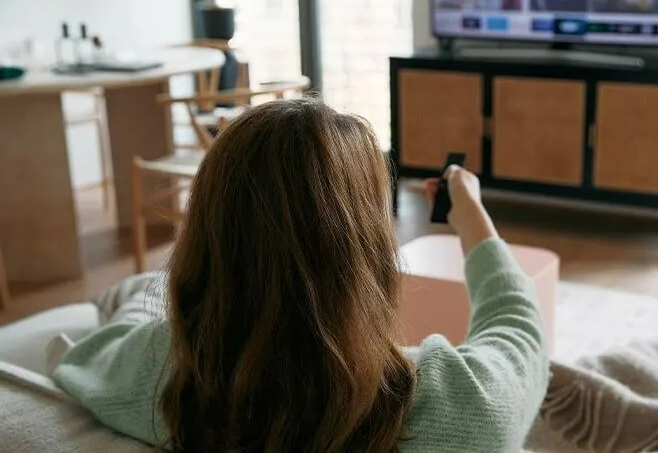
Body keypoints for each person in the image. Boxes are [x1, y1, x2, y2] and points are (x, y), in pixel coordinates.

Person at [50, 99, 550, 452]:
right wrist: (473, 216)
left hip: (162, 309)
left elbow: (86, 355)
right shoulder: (460, 406)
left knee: (135, 292)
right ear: (367, 250)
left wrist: (163, 297)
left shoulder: (161, 372)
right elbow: (518, 325)